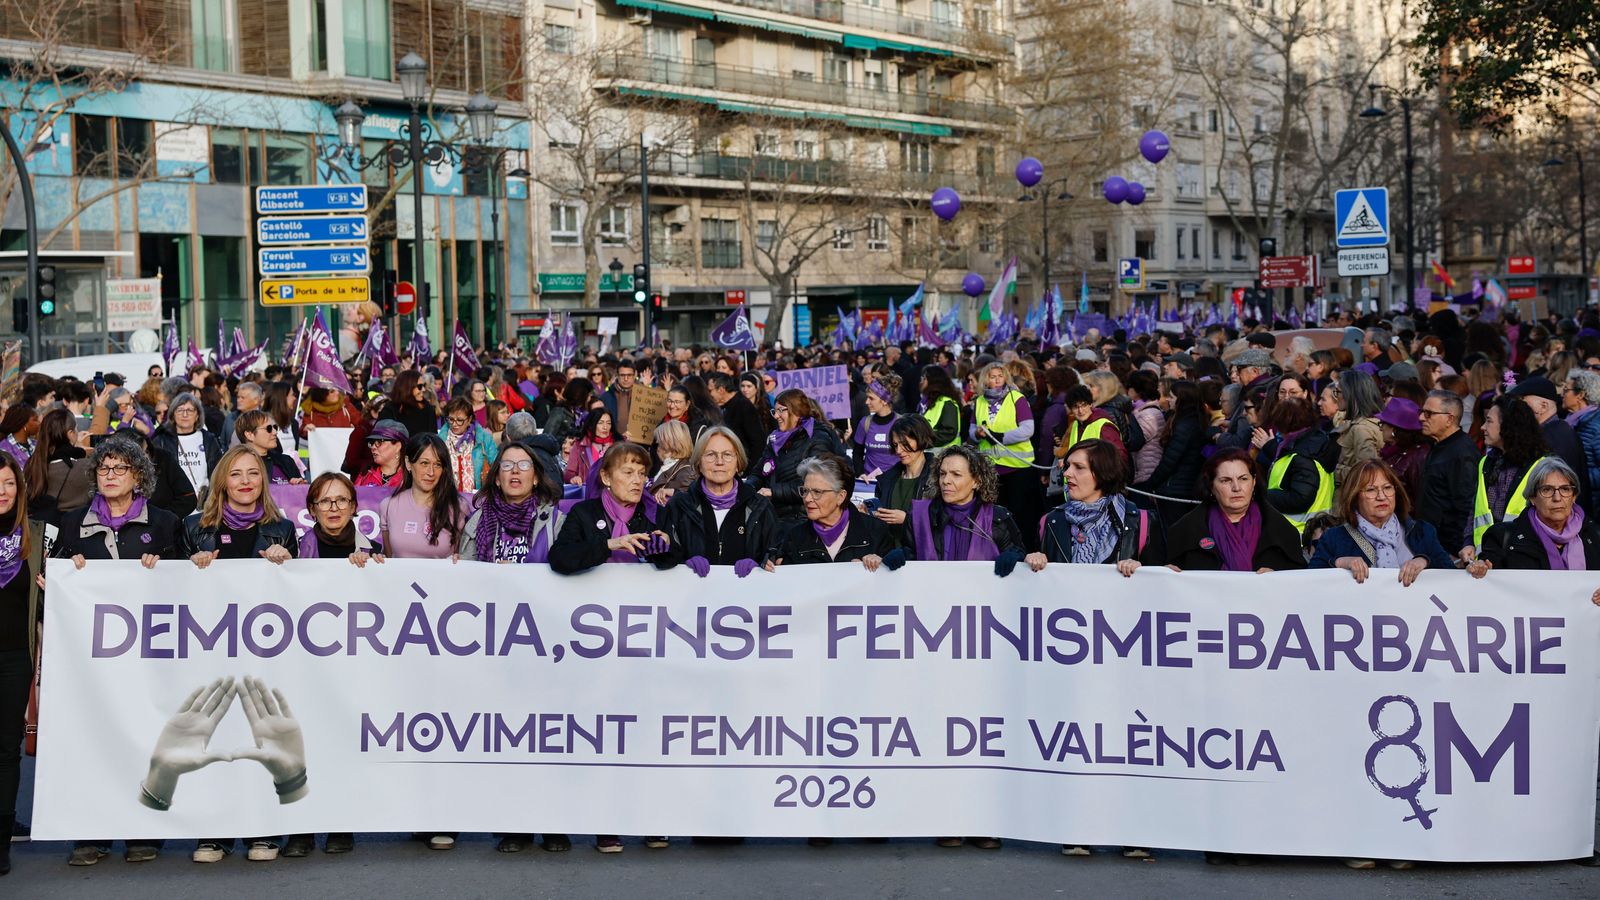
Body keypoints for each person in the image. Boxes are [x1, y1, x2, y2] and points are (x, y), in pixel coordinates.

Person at [53, 436, 183, 866]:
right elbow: (50, 580)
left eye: (119, 469)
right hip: (91, 661)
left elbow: (189, 583)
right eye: (103, 469)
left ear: (138, 476)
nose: (109, 476)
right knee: (92, 740)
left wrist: (164, 570)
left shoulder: (164, 523)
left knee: (144, 738)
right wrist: (57, 581)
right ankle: (91, 832)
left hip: (148, 655)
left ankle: (141, 831)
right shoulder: (72, 524)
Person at [1032, 438, 1165, 580]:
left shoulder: (1142, 522)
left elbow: (1163, 582)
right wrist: (1033, 562)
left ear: (1103, 473)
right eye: (1068, 465)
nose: (1066, 473)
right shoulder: (1051, 520)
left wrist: (1142, 570)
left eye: (1079, 467)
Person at [0, 451, 44, 872]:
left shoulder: (34, 535)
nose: (2, 491)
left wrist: (56, 585)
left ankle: (1, 839)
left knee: (5, 750)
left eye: (9, 483)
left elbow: (45, 605)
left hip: (14, 657)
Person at [1309, 458, 1454, 586]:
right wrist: (1339, 563)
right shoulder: (1334, 538)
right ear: (1354, 496)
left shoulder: (1422, 531)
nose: (1381, 496)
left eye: (1387, 488)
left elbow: (1451, 575)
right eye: (1371, 490)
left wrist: (1424, 561)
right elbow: (1309, 582)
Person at [552, 442, 681, 577]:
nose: (637, 480)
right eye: (628, 473)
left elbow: (674, 560)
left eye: (642, 473)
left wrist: (666, 546)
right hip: (593, 595)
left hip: (643, 595)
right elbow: (559, 558)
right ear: (606, 477)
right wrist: (609, 545)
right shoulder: (584, 512)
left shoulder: (655, 513)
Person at [1165, 449, 1305, 572]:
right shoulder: (1184, 531)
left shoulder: (1283, 531)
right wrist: (1165, 575)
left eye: (1243, 479)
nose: (1236, 487)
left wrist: (1280, 578)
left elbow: (1299, 584)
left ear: (1254, 482)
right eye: (1226, 480)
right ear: (1211, 486)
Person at [663, 427, 777, 573]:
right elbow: (665, 556)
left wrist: (759, 566)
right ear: (699, 463)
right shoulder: (678, 505)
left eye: (727, 455)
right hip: (693, 592)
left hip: (746, 593)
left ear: (738, 462)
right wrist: (683, 564)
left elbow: (775, 553)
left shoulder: (760, 506)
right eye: (710, 455)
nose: (719, 462)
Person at [1473, 458, 1600, 584]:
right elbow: (1486, 575)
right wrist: (1479, 568)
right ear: (1532, 498)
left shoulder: (1594, 534)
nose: (1557, 498)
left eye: (1565, 489)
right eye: (1547, 490)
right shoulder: (1501, 537)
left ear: (1574, 496)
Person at [903, 445, 1029, 573]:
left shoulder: (997, 518)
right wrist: (903, 555)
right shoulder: (920, 515)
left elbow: (1020, 556)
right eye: (942, 474)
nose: (946, 480)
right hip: (933, 591)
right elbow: (911, 555)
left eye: (956, 474)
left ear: (977, 481)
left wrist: (1018, 556)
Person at [767, 453, 895, 569]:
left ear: (840, 496)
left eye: (817, 492)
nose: (807, 498)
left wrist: (882, 565)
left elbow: (893, 583)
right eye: (805, 491)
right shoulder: (794, 537)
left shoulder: (876, 531)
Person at [1463, 395, 1550, 558]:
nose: (1482, 427)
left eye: (1489, 421)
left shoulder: (1542, 467)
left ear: (1508, 426)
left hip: (1524, 563)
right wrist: (1468, 542)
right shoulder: (1486, 463)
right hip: (1485, 560)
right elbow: (1474, 511)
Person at [749, 390, 848, 525]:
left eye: (780, 411)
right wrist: (747, 488)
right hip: (774, 515)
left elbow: (816, 485)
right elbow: (759, 471)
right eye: (774, 411)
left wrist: (773, 492)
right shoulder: (775, 439)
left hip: (803, 518)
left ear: (796, 412)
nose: (776, 416)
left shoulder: (817, 439)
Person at [458, 442, 565, 567]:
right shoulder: (477, 521)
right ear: (497, 479)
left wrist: (518, 574)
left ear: (535, 478)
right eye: (507, 465)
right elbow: (468, 569)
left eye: (524, 465)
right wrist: (457, 562)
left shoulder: (555, 521)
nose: (515, 470)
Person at [1507, 375, 1593, 513]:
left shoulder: (1552, 437)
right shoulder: (1557, 430)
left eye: (1523, 402)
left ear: (1543, 406)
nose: (1518, 409)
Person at [1413, 390, 1481, 562]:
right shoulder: (1439, 445)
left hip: (1448, 552)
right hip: (1431, 545)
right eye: (1422, 412)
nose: (1421, 418)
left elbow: (1465, 506)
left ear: (1449, 419)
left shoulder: (1462, 454)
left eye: (1429, 414)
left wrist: (1455, 552)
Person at [380, 434, 469, 564]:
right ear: (408, 464)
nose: (431, 472)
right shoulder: (389, 506)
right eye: (424, 463)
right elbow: (387, 560)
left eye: (437, 465)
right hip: (399, 584)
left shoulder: (459, 507)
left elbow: (464, 559)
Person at [868, 417, 938, 547]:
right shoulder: (887, 479)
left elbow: (941, 521)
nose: (899, 451)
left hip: (921, 558)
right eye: (895, 445)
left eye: (905, 443)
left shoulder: (938, 479)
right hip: (887, 555)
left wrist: (907, 520)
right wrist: (869, 515)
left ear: (920, 438)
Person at [24, 408, 94, 522]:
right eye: (76, 429)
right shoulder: (84, 467)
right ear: (71, 434)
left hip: (41, 530)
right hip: (74, 530)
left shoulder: (32, 463)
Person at [151, 392, 224, 500]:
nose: (185, 415)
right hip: (173, 505)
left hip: (204, 504)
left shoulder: (209, 439)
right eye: (180, 410)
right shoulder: (161, 441)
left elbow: (218, 472)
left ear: (197, 415)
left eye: (190, 410)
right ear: (173, 415)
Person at [1332, 369, 1384, 485]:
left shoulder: (1362, 429)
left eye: (1338, 392)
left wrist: (1332, 470)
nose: (1336, 397)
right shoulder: (1370, 423)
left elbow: (1366, 472)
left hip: (1350, 498)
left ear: (1349, 395)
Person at [709, 373, 767, 474]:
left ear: (721, 390)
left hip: (744, 469)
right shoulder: (725, 406)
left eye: (711, 390)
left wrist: (750, 471)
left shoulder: (743, 406)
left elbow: (757, 442)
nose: (709, 394)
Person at [439, 398, 496, 492]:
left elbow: (495, 465)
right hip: (447, 497)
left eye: (460, 420)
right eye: (451, 419)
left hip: (477, 498)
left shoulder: (484, 439)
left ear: (469, 419)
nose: (454, 424)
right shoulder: (439, 441)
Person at [234, 409, 305, 484]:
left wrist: (299, 486)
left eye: (275, 427)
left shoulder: (286, 461)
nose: (275, 432)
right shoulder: (235, 464)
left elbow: (301, 492)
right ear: (249, 435)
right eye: (269, 429)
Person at [853, 371, 901, 480]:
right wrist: (860, 473)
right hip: (870, 483)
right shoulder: (865, 422)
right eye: (867, 397)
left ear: (884, 401)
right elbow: (857, 452)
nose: (866, 402)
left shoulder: (901, 423)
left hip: (894, 482)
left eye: (871, 398)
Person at [378, 370, 439, 443]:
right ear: (408, 387)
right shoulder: (390, 409)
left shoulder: (428, 409)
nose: (423, 389)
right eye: (419, 386)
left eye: (423, 386)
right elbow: (381, 437)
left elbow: (433, 440)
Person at [564, 407, 616, 486]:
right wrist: (573, 478)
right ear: (592, 424)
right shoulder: (579, 445)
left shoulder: (618, 445)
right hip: (589, 493)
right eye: (600, 423)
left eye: (608, 423)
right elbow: (569, 473)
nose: (605, 427)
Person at [648, 420, 696, 504]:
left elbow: (690, 498)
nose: (657, 447)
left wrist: (672, 492)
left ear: (669, 443)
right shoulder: (669, 465)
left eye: (659, 443)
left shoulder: (687, 471)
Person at [355, 419, 410, 489]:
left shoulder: (411, 478)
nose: (373, 447)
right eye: (372, 443)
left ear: (398, 446)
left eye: (379, 442)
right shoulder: (365, 474)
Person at [919, 365, 964, 449]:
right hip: (932, 452)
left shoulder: (947, 403)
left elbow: (949, 432)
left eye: (924, 378)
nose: (921, 381)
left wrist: (922, 438)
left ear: (933, 381)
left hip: (945, 454)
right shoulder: (927, 401)